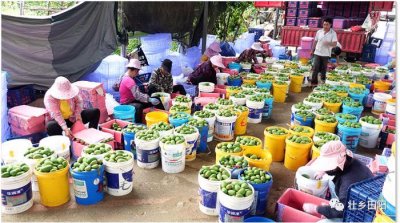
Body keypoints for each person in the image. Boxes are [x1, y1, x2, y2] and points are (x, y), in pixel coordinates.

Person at [302, 141, 374, 221]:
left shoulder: (348, 181)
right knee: (330, 181)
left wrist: (316, 209)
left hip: (361, 211)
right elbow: (336, 169)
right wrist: (324, 171)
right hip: (357, 196)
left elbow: (342, 209)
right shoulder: (350, 161)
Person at [311, 18, 338, 86]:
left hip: (326, 54)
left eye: (327, 25)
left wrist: (328, 43)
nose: (325, 26)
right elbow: (315, 41)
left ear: (330, 25)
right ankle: (313, 82)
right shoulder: (319, 32)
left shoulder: (333, 33)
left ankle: (323, 81)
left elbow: (335, 44)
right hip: (317, 52)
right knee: (315, 67)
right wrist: (312, 50)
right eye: (324, 24)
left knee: (323, 68)